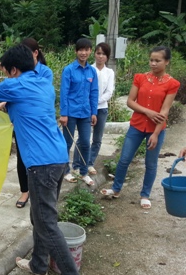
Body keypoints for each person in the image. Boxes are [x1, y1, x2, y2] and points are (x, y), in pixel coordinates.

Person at [0, 44, 89, 275]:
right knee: (40, 218)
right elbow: (26, 107)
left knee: (47, 223)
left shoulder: (13, 85)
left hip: (41, 163)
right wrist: (7, 104)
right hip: (57, 157)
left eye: (8, 71)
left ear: (12, 70)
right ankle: (39, 265)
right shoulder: (42, 80)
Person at [101, 46, 180, 209]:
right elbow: (130, 101)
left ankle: (145, 194)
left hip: (156, 129)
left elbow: (164, 111)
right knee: (124, 159)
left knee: (151, 163)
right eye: (151, 60)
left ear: (166, 62)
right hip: (136, 126)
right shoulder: (140, 78)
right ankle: (116, 189)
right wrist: (148, 112)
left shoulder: (172, 84)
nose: (153, 63)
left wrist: (156, 134)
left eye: (158, 60)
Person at [0, 38, 52, 208]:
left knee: (35, 161)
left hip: (33, 126)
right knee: (22, 158)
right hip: (25, 125)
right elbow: (17, 77)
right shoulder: (19, 74)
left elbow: (26, 93)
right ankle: (25, 191)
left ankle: (37, 197)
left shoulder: (44, 74)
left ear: (35, 54)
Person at [59, 38, 98, 186]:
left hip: (85, 113)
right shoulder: (69, 70)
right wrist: (63, 114)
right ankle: (66, 171)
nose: (83, 53)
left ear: (90, 51)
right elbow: (64, 92)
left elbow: (94, 93)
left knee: (85, 143)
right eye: (80, 50)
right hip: (70, 113)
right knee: (67, 143)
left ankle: (83, 172)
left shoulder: (91, 71)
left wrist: (94, 112)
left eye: (86, 50)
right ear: (76, 51)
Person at [72, 42, 115, 175]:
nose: (100, 56)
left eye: (103, 54)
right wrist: (90, 104)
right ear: (94, 53)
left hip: (101, 109)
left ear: (107, 57)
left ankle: (89, 163)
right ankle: (76, 164)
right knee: (83, 138)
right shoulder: (88, 69)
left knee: (97, 139)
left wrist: (95, 102)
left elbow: (109, 92)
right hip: (85, 109)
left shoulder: (109, 72)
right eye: (98, 53)